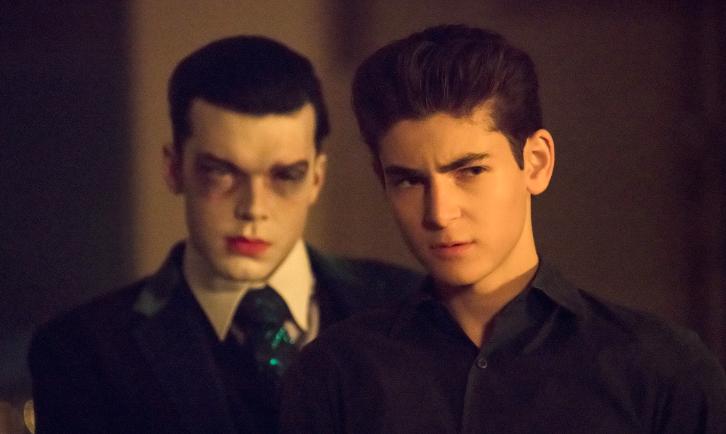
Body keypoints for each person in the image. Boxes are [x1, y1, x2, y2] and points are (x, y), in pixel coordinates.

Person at [279, 25, 726, 433]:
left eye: (470, 171)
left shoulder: (660, 370)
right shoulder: (335, 375)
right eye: (409, 181)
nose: (439, 213)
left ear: (536, 163)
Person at [28, 36, 421, 434]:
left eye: (286, 175)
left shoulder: (414, 308)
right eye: (220, 172)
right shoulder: (81, 351)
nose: (253, 208)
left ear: (316, 179)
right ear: (174, 168)